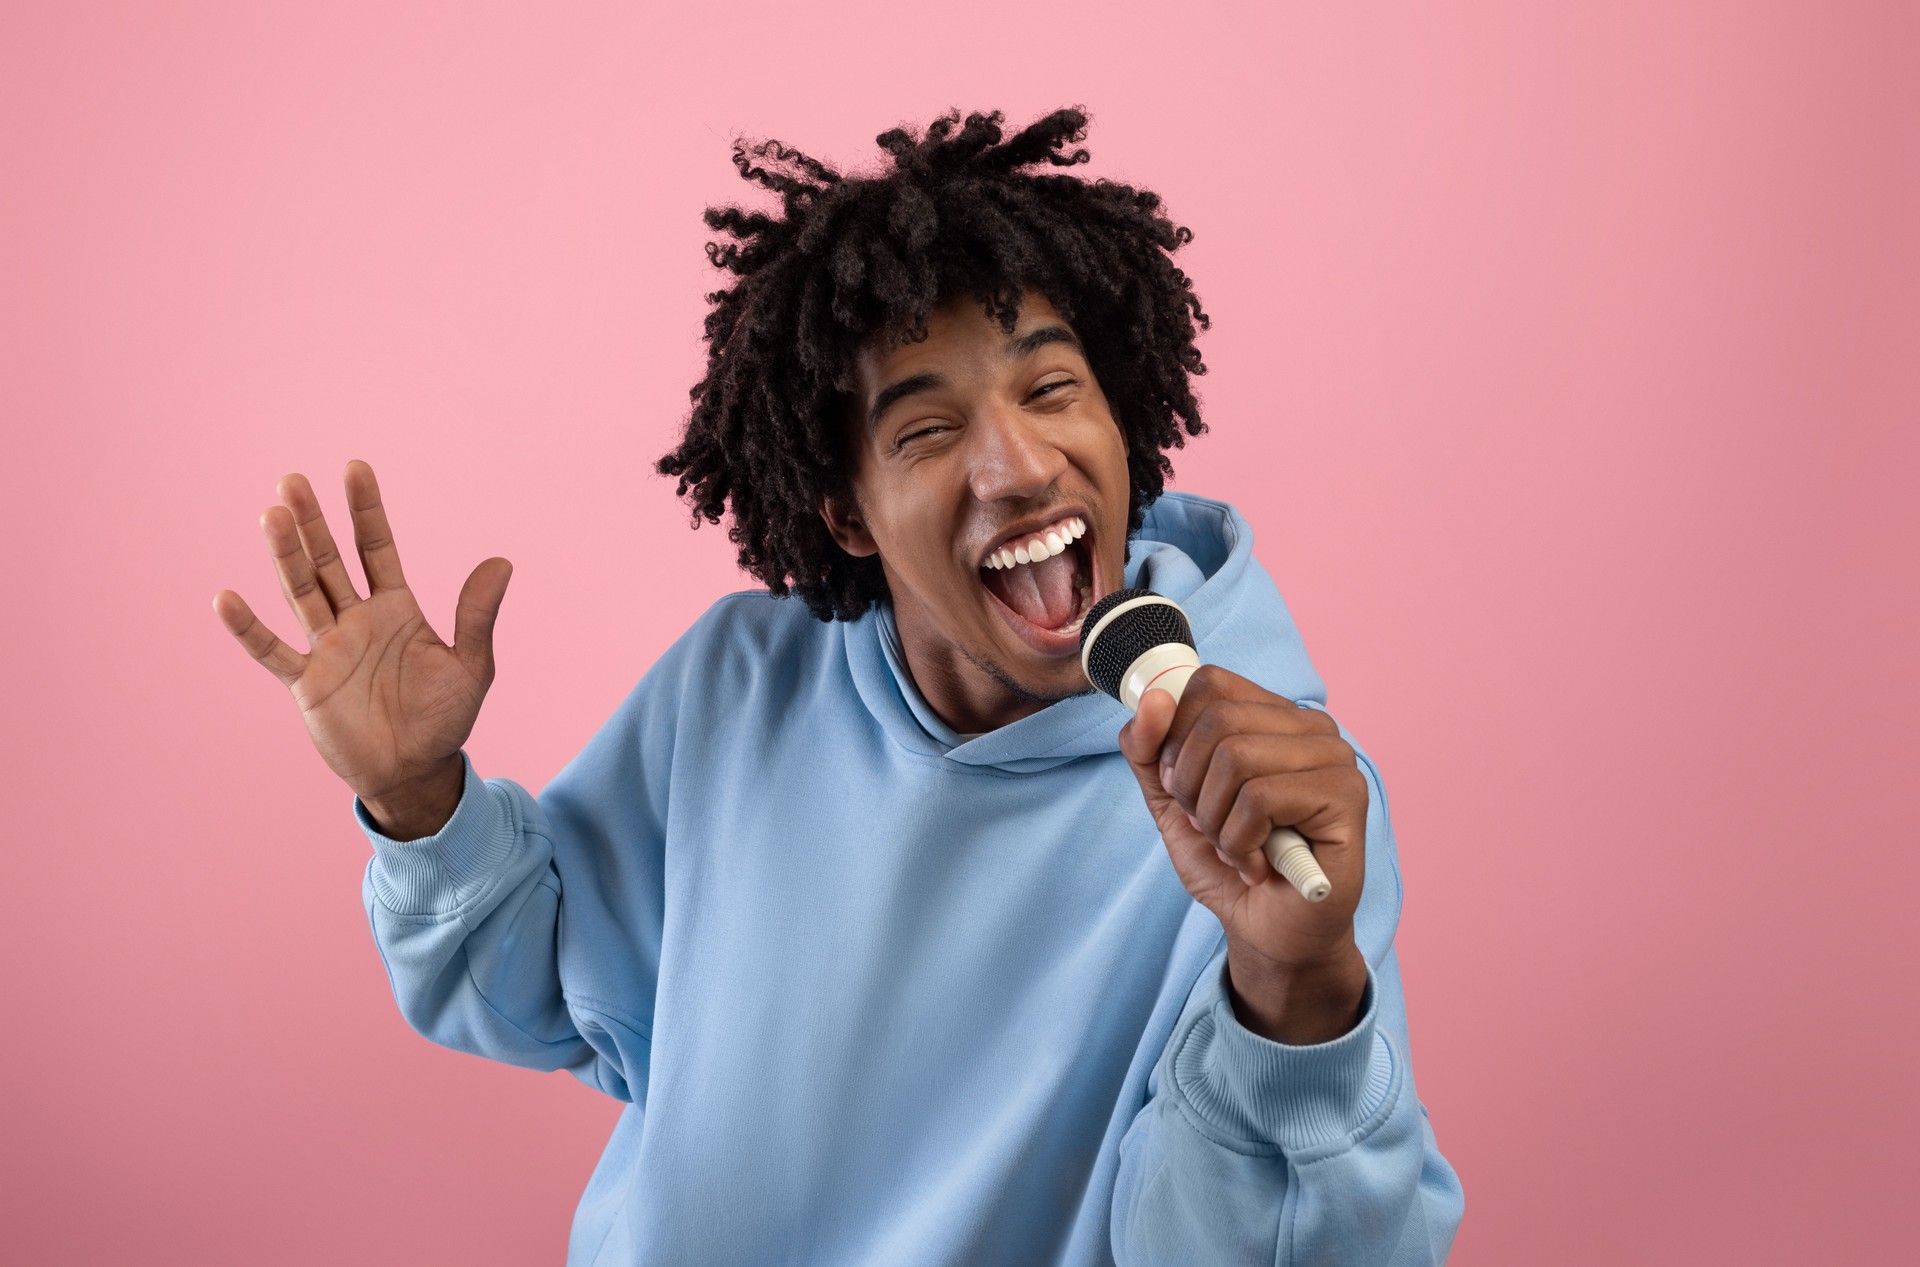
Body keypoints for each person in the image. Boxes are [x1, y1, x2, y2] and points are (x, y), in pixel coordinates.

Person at [214, 107, 1464, 1265]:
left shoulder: (1282, 813)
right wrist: (421, 795)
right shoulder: (735, 685)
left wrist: (1295, 997)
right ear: (847, 516)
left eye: (1050, 388)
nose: (1018, 465)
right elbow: (547, 984)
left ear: (1122, 423)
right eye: (926, 430)